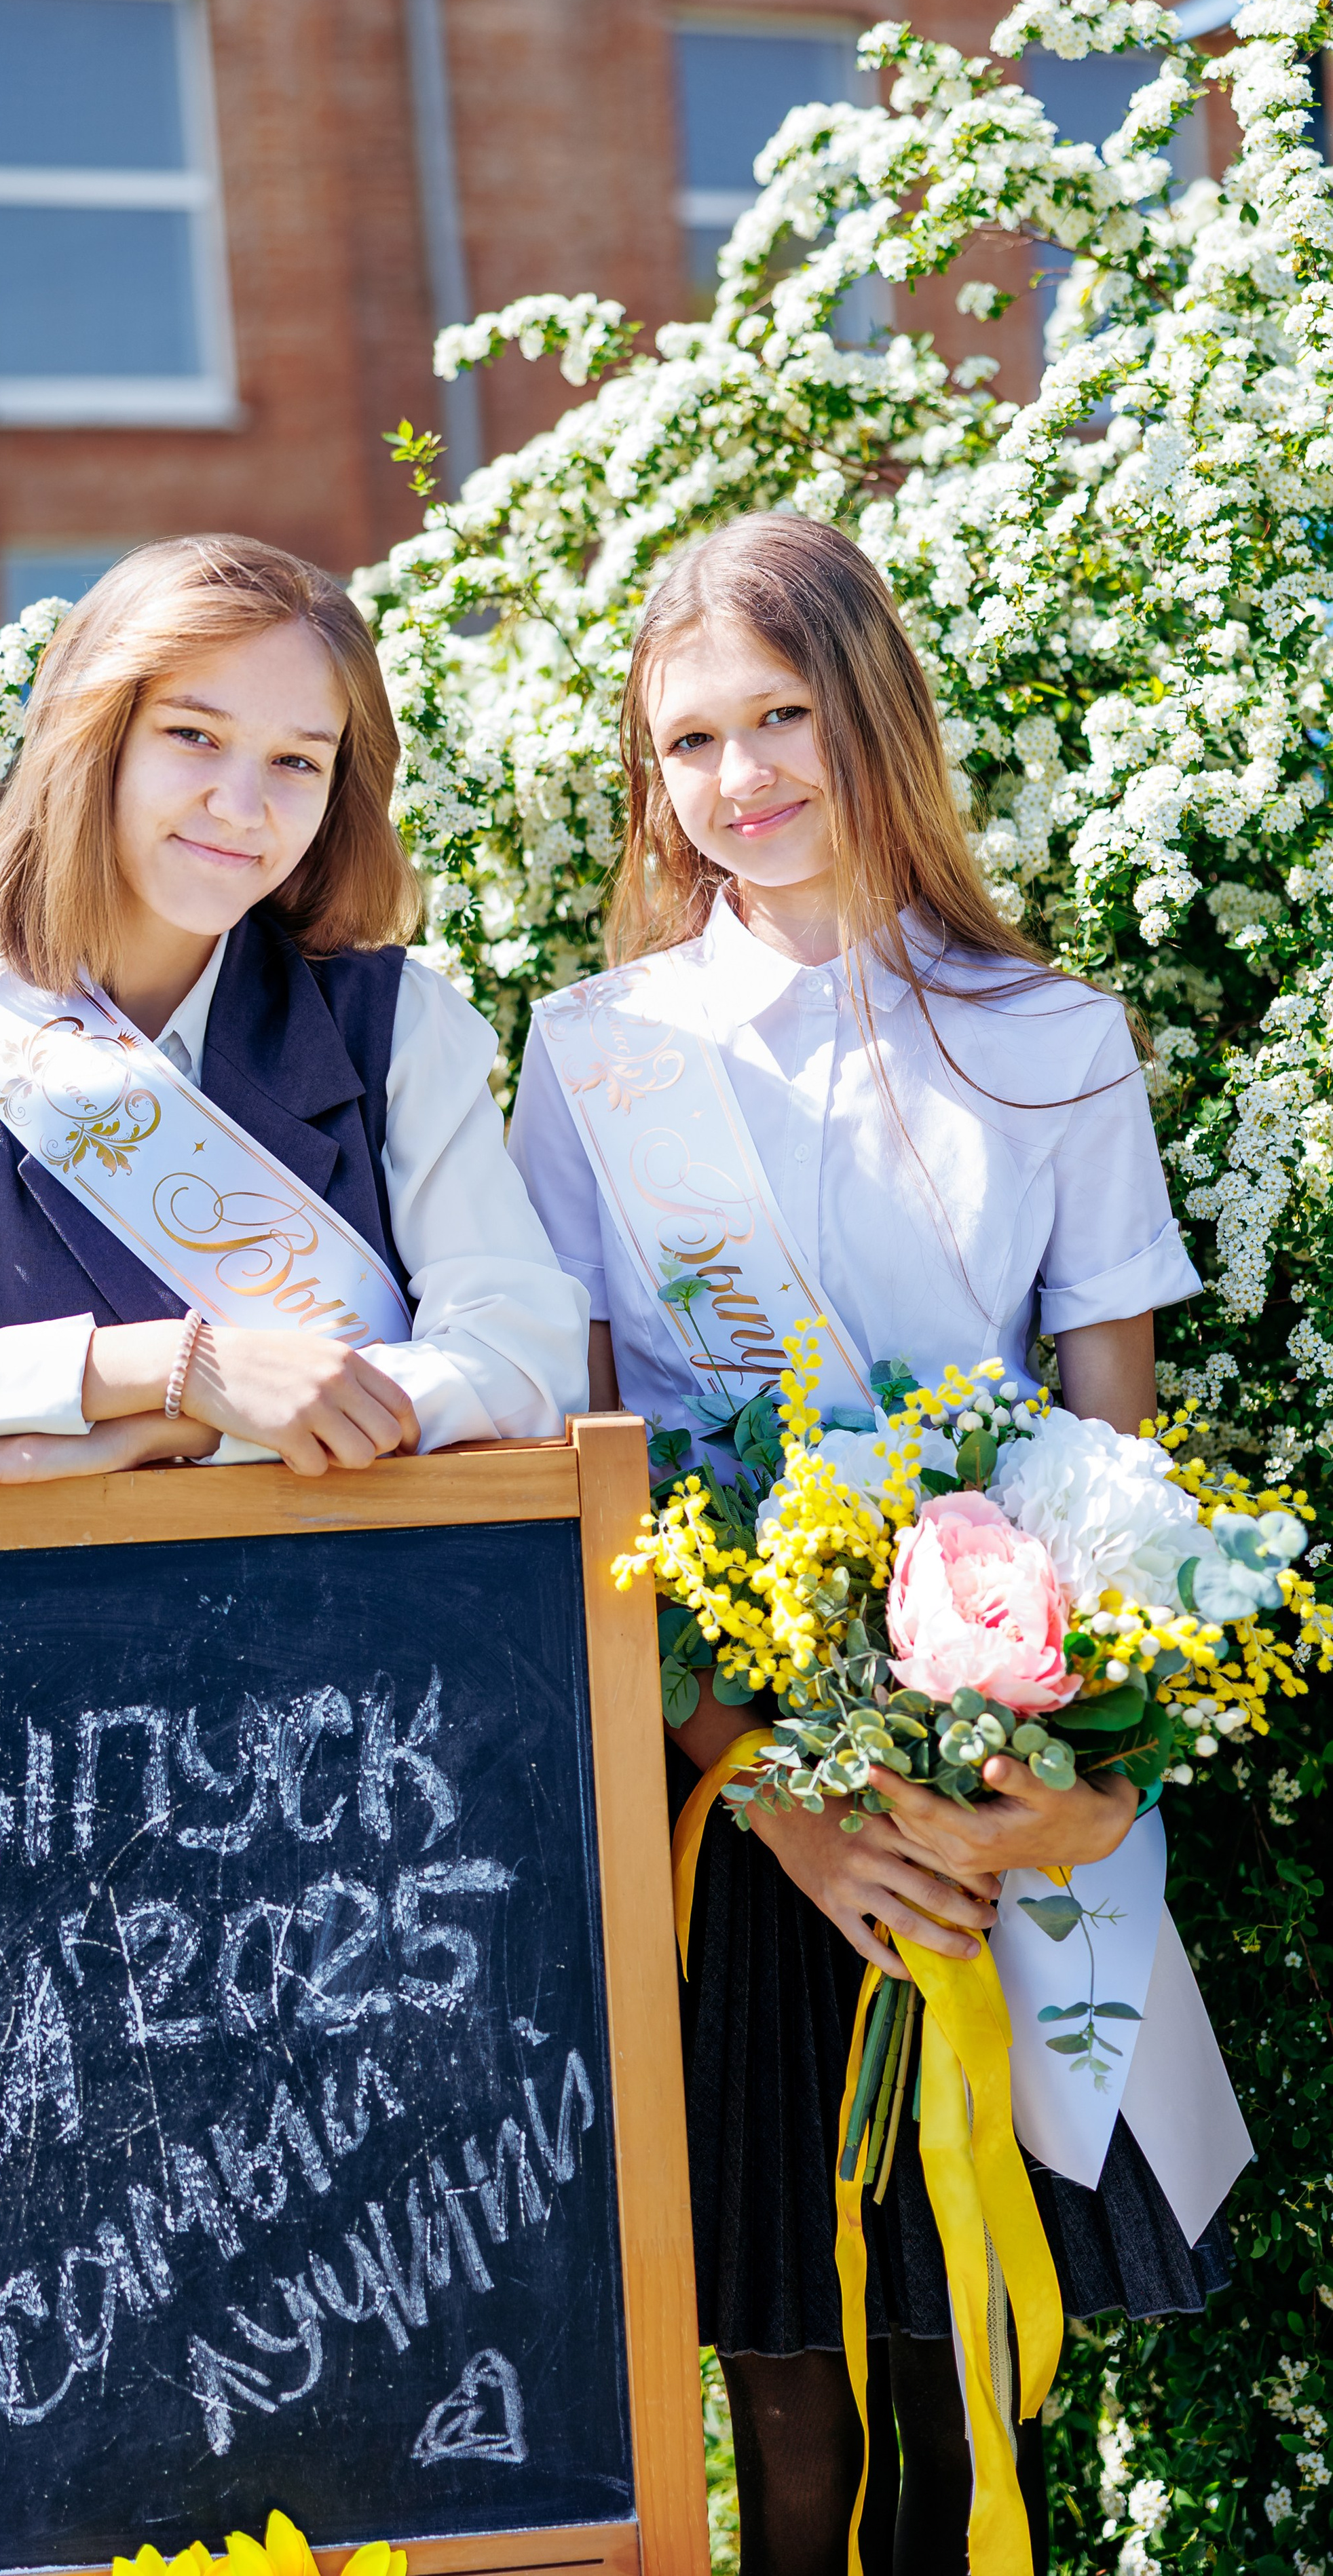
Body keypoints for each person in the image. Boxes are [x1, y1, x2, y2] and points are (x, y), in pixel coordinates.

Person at [508, 512, 1220, 2575]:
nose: (740, 780)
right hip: (754, 1821)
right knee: (790, 2413)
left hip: (994, 1786)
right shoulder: (601, 1054)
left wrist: (1052, 1789)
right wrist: (768, 1790)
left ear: (871, 713)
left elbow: (1119, 1440)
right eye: (691, 741)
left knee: (969, 2381)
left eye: (781, 717)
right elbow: (589, 1458)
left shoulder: (1050, 1035)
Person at [0, 535, 588, 1487]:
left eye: (297, 761)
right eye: (194, 735)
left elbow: (528, 1364)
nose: (243, 805)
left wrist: (185, 1433)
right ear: (95, 738)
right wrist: (156, 1371)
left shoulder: (396, 1026)